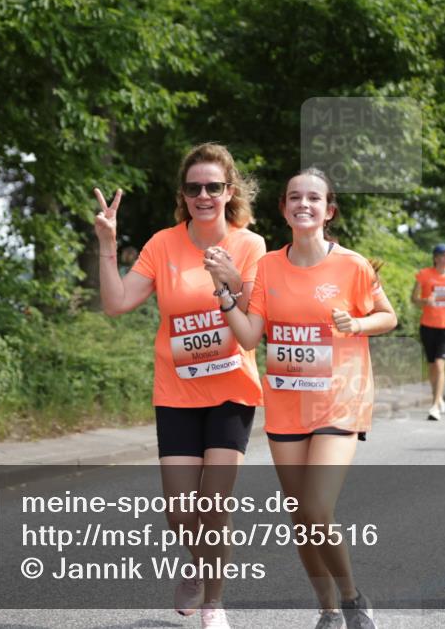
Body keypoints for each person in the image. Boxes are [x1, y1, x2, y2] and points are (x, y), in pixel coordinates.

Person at [212, 167, 396, 629]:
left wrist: (358, 324)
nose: (304, 204)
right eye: (295, 197)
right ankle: (328, 610)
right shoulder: (268, 266)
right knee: (301, 518)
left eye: (314, 198)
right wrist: (227, 299)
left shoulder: (352, 265)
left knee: (316, 508)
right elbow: (252, 337)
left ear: (328, 209)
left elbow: (388, 317)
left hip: (340, 401)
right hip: (287, 404)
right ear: (284, 208)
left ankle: (353, 598)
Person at [95, 142, 266, 629]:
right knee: (179, 512)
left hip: (232, 388)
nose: (204, 195)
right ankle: (198, 562)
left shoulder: (250, 245)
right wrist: (108, 246)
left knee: (214, 504)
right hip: (177, 390)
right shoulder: (163, 244)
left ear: (229, 191)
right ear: (183, 194)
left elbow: (259, 320)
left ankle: (213, 602)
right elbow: (117, 303)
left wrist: (232, 280)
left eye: (214, 186)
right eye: (194, 188)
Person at [412, 243, 445, 421]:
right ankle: (438, 395)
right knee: (431, 366)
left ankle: (435, 405)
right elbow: (414, 299)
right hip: (428, 325)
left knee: (439, 363)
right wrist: (425, 301)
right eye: (442, 255)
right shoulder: (424, 275)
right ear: (435, 258)